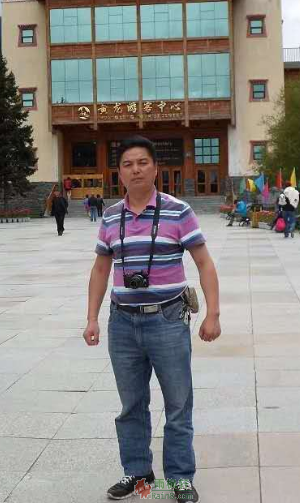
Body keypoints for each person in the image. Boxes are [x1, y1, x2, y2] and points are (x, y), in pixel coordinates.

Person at [84, 136, 221, 504]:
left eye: (142, 162)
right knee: (131, 405)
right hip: (122, 323)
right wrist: (92, 318)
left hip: (168, 319)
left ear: (155, 168)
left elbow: (204, 262)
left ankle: (180, 477)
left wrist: (213, 314)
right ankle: (137, 472)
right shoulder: (111, 215)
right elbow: (100, 268)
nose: (136, 170)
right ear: (119, 173)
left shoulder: (178, 211)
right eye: (128, 164)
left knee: (178, 403)